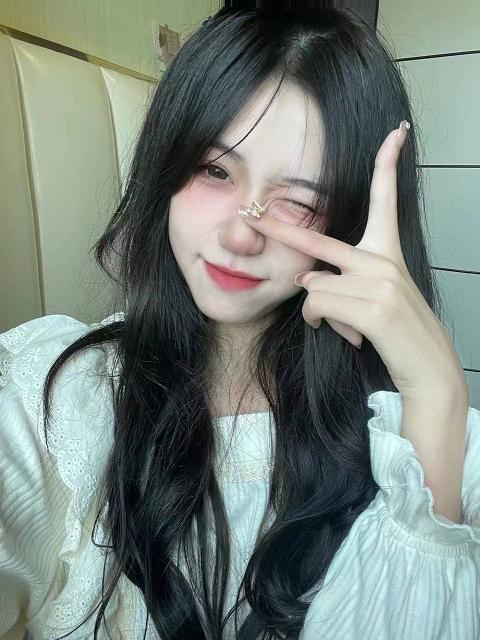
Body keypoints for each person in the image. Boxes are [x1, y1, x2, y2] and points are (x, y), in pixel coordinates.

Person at [0, 5, 479, 640]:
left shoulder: (423, 440)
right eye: (215, 170)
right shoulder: (54, 398)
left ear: (353, 222)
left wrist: (437, 393)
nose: (240, 237)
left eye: (299, 202)